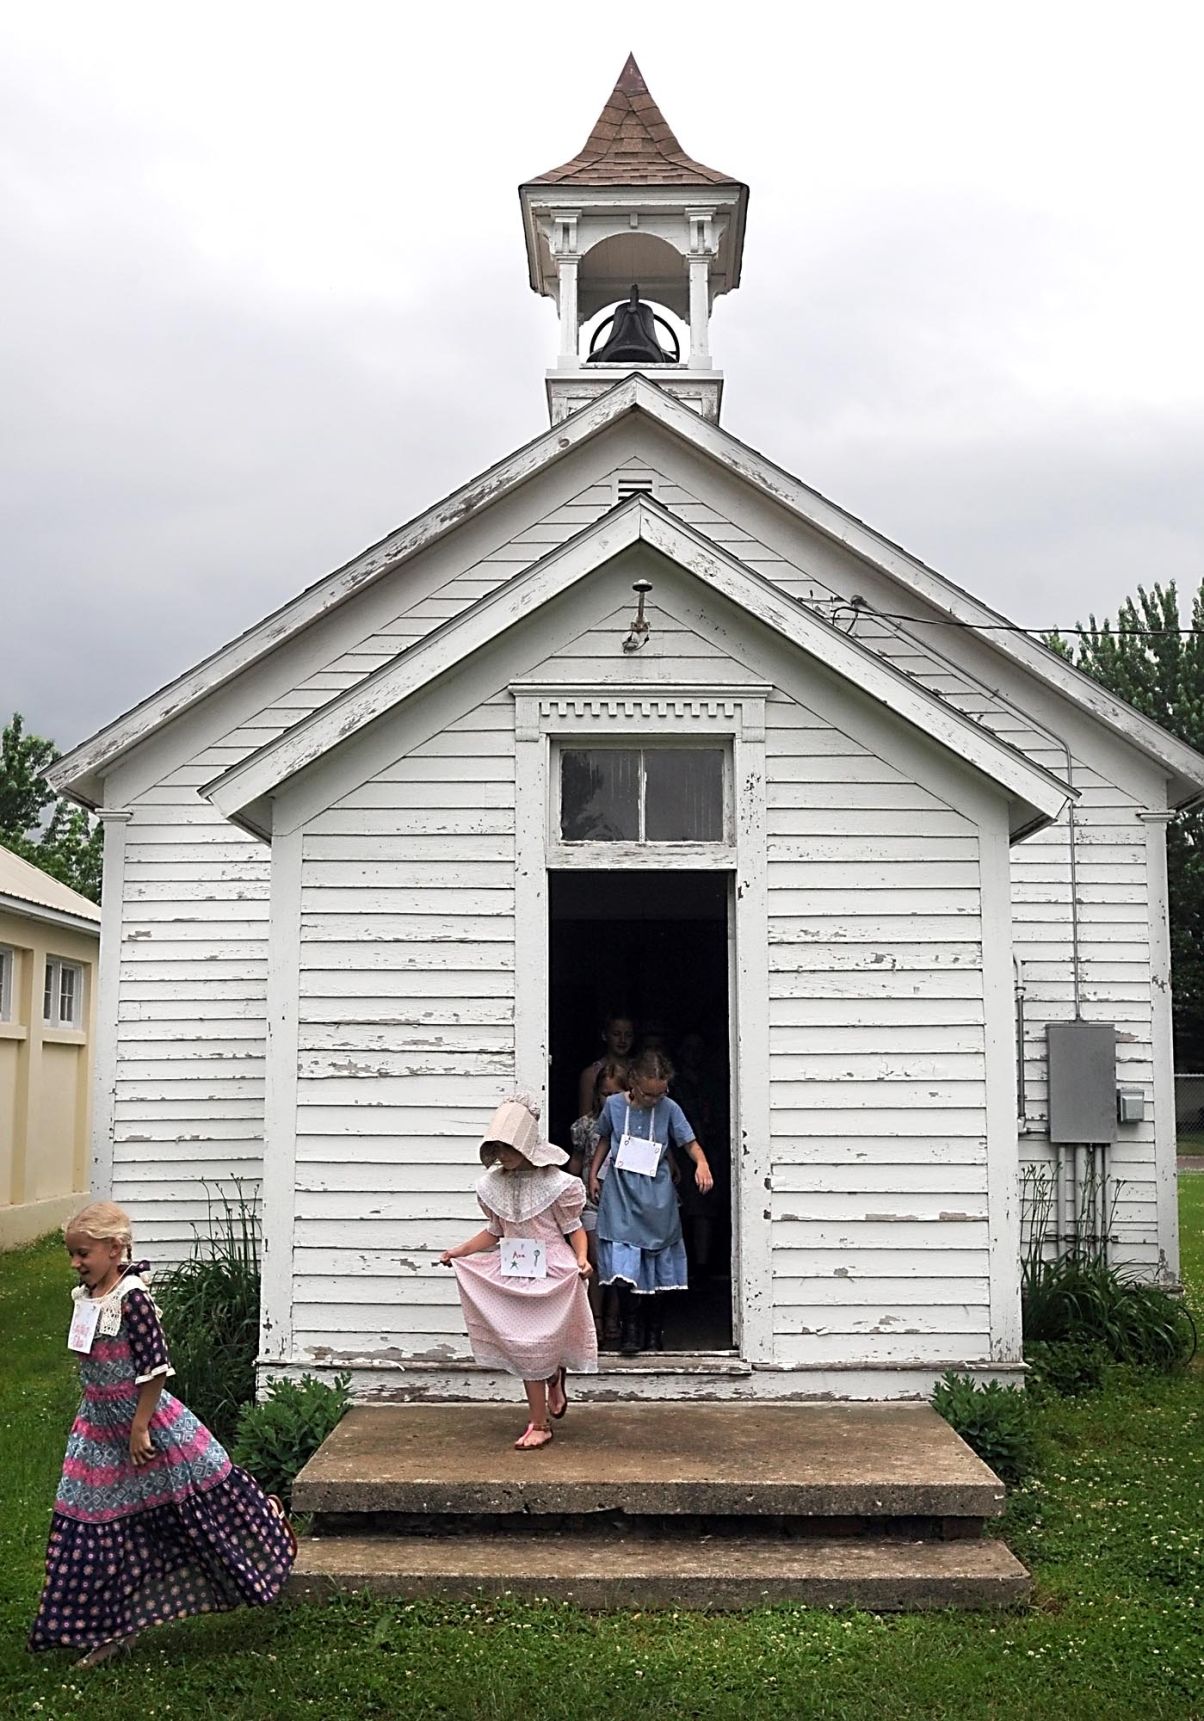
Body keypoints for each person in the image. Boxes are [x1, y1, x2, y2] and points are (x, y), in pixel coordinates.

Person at [29, 1202, 296, 1668]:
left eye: (82, 1254)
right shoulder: (85, 1295)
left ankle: (268, 1525)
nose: (75, 1263)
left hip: (145, 1427)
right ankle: (111, 1628)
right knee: (96, 1525)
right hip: (97, 1430)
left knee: (196, 1506)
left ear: (114, 1249)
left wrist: (139, 1426)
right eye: (72, 1254)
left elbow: (155, 1368)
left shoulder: (132, 1297)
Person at [441, 1095, 597, 1449]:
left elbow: (574, 1227)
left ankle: (543, 1407)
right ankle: (541, 1409)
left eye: (508, 1147)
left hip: (551, 1270)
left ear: (527, 1146)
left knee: (540, 1343)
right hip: (514, 1268)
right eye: (496, 1149)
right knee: (526, 1346)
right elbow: (495, 1230)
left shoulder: (558, 1185)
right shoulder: (494, 1186)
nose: (502, 1156)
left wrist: (582, 1258)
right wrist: (460, 1251)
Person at [589, 1051, 713, 1357]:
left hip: (656, 1193)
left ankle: (653, 1330)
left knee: (656, 1259)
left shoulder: (669, 1108)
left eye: (661, 1093)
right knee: (623, 1259)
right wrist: (594, 1174)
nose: (655, 1099)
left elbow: (689, 1142)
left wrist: (702, 1163)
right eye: (648, 1093)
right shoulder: (615, 1106)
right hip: (621, 1191)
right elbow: (604, 1137)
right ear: (633, 1082)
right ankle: (630, 1329)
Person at [568, 1057, 628, 1346]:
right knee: (595, 1262)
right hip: (591, 1202)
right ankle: (595, 1320)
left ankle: (615, 1318)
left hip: (622, 1204)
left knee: (616, 1264)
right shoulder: (584, 1126)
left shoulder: (631, 1126)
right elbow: (577, 1162)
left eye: (616, 1093)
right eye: (605, 1094)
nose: (610, 1099)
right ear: (597, 1094)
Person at [577, 1011, 636, 1119]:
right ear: (604, 1035)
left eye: (628, 1035)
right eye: (616, 1034)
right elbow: (584, 1122)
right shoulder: (591, 1074)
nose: (622, 1040)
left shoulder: (639, 1071)